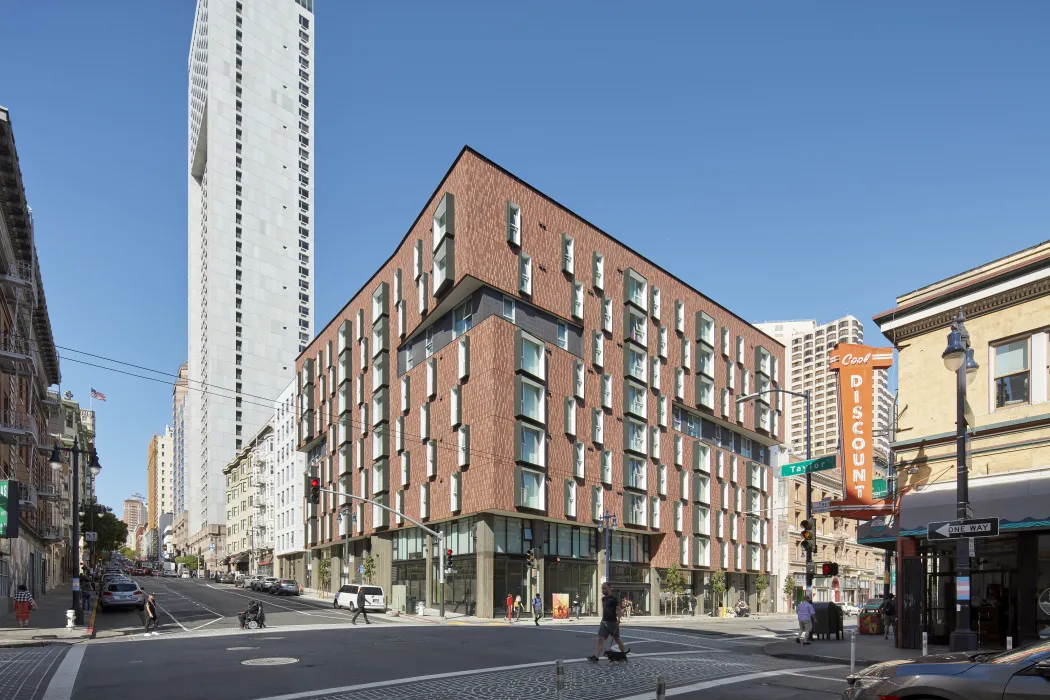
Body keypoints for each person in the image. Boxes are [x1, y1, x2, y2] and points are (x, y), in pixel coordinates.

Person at [588, 582, 630, 662]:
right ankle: (596, 657)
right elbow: (605, 611)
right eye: (602, 589)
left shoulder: (614, 598)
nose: (603, 590)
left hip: (613, 623)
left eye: (604, 588)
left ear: (609, 588)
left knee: (617, 639)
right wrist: (602, 620)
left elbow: (618, 609)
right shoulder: (603, 599)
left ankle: (622, 654)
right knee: (600, 639)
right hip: (604, 622)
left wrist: (618, 619)